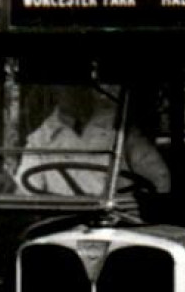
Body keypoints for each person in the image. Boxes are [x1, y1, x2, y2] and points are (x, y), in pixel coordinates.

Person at [16, 63, 170, 200]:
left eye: (76, 81)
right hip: (62, 224)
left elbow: (158, 177)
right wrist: (10, 186)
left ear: (87, 84)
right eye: (63, 83)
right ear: (53, 90)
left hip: (118, 221)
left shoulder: (119, 125)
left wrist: (141, 208)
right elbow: (26, 190)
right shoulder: (41, 138)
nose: (70, 91)